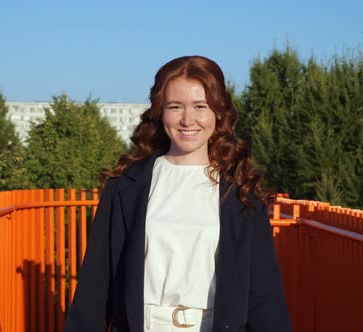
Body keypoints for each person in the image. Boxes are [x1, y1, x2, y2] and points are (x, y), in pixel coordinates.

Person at [65, 56, 291, 332]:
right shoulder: (125, 187)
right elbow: (95, 289)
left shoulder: (241, 194)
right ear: (160, 112)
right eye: (175, 107)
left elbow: (265, 298)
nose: (188, 119)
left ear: (218, 112)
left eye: (200, 106)